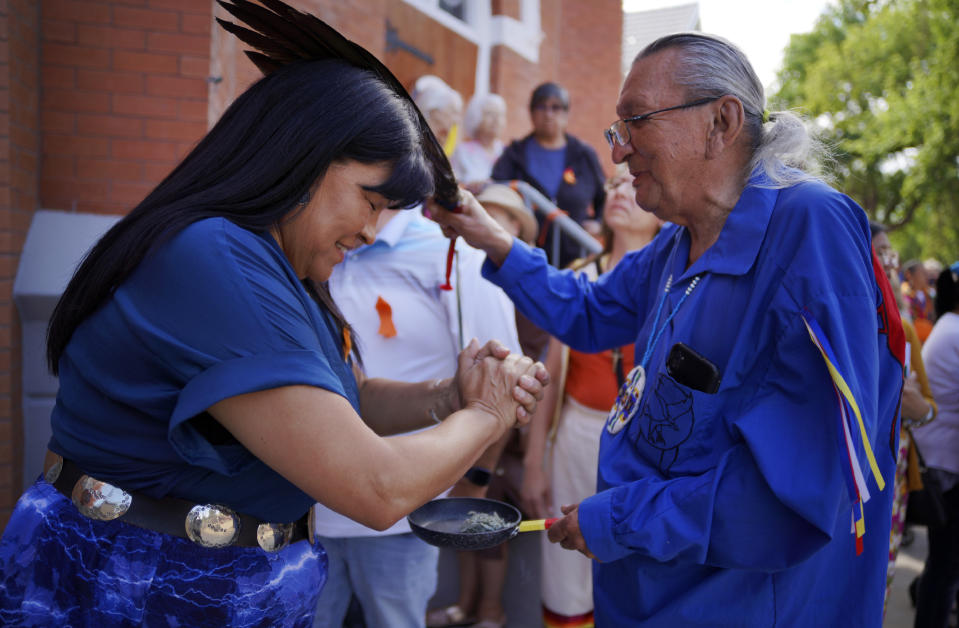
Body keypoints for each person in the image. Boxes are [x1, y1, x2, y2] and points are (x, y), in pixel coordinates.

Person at [0, 6, 547, 626]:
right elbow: (375, 489)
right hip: (144, 592)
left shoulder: (273, 264)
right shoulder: (214, 256)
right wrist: (489, 414)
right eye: (370, 200)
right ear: (302, 159)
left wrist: (447, 395)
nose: (371, 232)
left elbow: (344, 399)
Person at [430, 32, 904, 625]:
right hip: (648, 592)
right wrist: (494, 238)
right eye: (615, 130)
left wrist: (616, 518)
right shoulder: (678, 242)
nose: (618, 153)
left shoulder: (809, 227)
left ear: (722, 122)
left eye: (637, 122)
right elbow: (589, 310)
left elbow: (793, 495)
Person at [311, 202, 523, 628]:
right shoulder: (305, 249)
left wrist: (474, 480)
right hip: (306, 512)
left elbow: (502, 383)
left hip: (403, 517)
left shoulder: (454, 255)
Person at [521, 166, 661, 627]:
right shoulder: (581, 277)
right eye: (613, 186)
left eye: (631, 182)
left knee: (637, 571)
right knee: (566, 572)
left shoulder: (678, 284)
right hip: (578, 437)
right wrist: (533, 464)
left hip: (649, 452)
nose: (620, 191)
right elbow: (551, 379)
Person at [426, 184, 539, 628]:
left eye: (499, 218)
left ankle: (490, 608)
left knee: (489, 521)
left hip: (511, 416)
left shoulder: (524, 283)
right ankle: (467, 603)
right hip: (478, 411)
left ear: (514, 228)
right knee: (465, 517)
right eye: (484, 215)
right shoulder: (474, 274)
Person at [871, 222, 937, 614]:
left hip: (892, 484)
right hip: (843, 485)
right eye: (880, 253)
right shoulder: (834, 326)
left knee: (880, 580)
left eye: (890, 256)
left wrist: (917, 410)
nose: (889, 264)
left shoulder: (907, 330)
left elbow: (929, 405)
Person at [491, 82, 606, 268]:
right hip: (525, 255)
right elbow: (496, 192)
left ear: (567, 114)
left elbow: (604, 197)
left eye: (556, 107)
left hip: (575, 259)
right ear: (531, 113)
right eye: (541, 107)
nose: (548, 114)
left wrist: (600, 223)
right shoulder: (514, 154)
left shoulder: (584, 155)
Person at [911, 266, 959, 628]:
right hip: (944, 468)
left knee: (944, 564)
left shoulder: (947, 326)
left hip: (939, 459)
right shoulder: (954, 331)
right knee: (946, 566)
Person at [451, 93, 507, 192]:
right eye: (490, 114)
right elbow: (453, 186)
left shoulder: (507, 152)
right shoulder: (462, 152)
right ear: (476, 117)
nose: (496, 120)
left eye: (500, 115)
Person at [411, 75, 463, 157]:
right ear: (434, 111)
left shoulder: (445, 134)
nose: (457, 120)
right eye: (453, 112)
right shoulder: (415, 135)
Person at [903, 258, 936, 343]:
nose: (926, 276)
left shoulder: (929, 295)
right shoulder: (904, 297)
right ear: (908, 274)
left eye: (926, 272)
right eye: (922, 272)